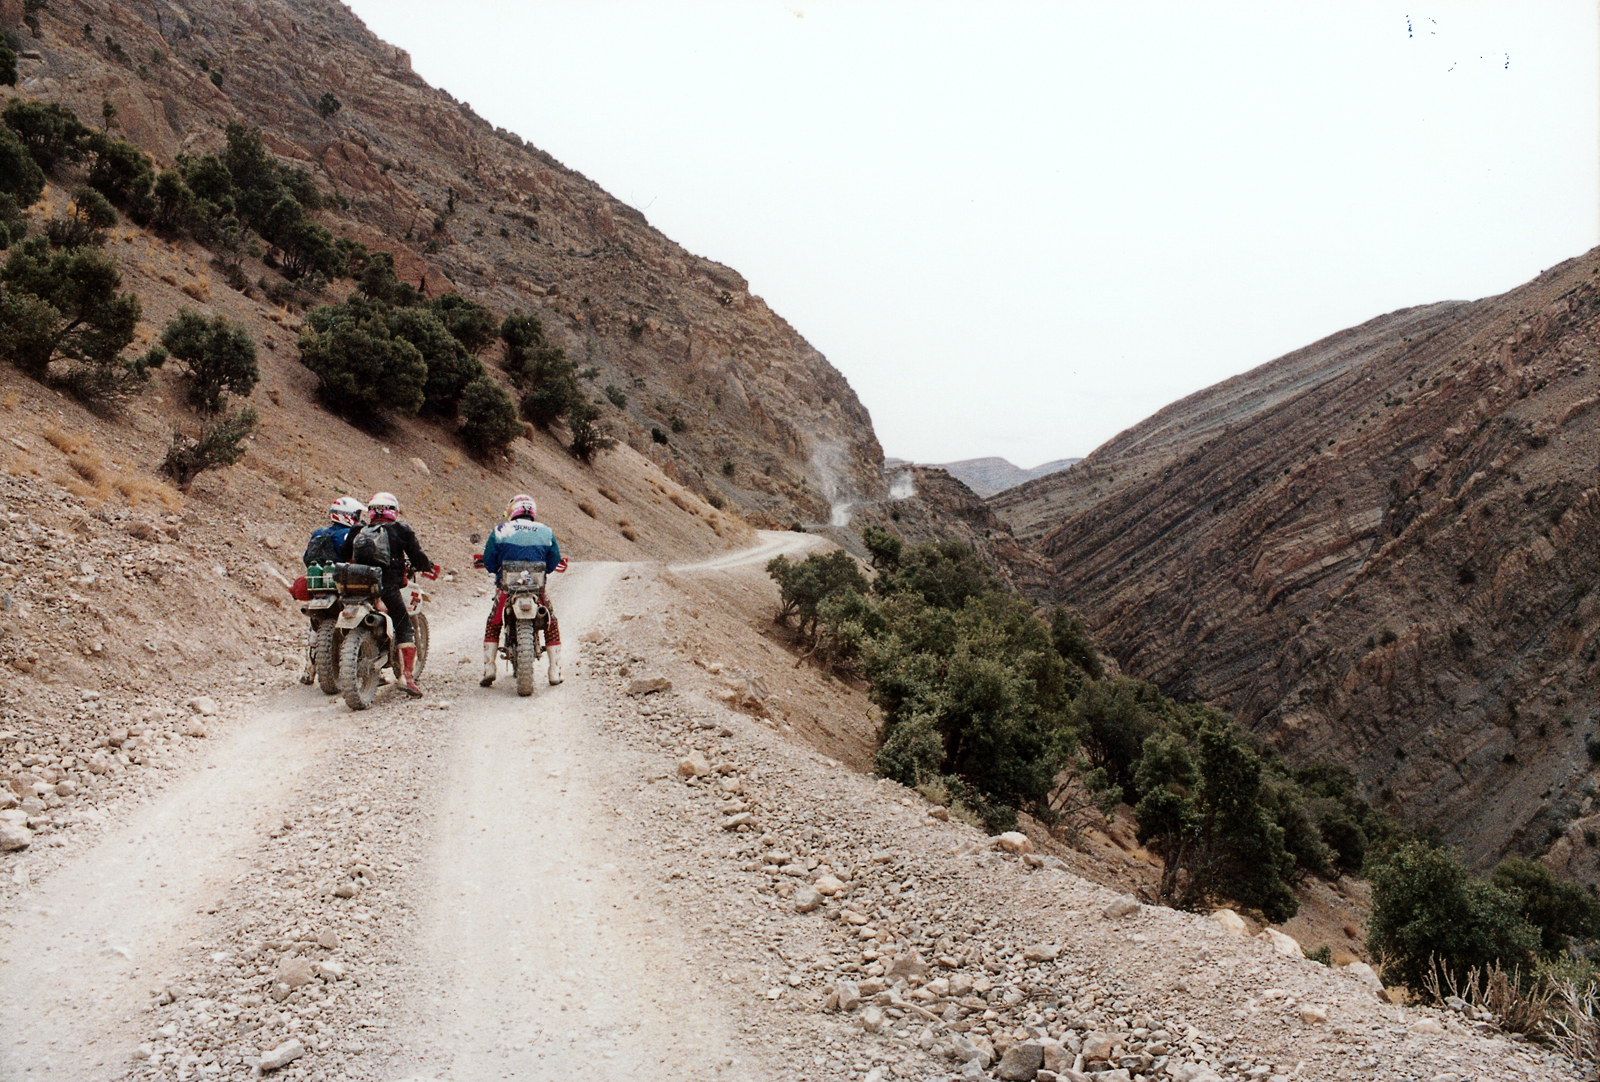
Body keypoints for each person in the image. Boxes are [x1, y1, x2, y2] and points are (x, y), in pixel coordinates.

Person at [339, 491, 439, 697]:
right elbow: (417, 557)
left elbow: (343, 554)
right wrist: (427, 565)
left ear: (371, 511)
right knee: (404, 627)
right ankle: (406, 677)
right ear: (393, 511)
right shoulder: (401, 530)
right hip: (387, 588)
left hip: (357, 587)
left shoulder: (358, 529)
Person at [480, 493, 565, 687]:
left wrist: (496, 569)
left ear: (512, 510)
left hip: (507, 588)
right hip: (536, 588)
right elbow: (553, 560)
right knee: (551, 622)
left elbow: (489, 562)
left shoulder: (500, 530)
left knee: (494, 621)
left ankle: (489, 667)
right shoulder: (546, 531)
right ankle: (554, 670)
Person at [296, 496, 365, 684]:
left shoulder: (319, 533)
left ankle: (309, 670)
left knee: (315, 624)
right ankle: (367, 664)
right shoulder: (350, 534)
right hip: (344, 584)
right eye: (357, 515)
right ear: (348, 515)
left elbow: (306, 558)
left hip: (320, 584)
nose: (358, 518)